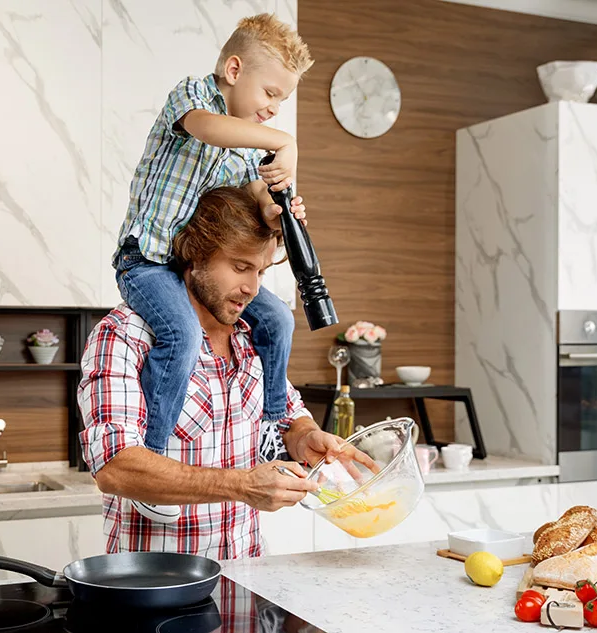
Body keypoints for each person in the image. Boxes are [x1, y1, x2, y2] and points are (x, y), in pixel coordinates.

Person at [80, 186, 373, 558]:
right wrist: (242, 485)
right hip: (154, 588)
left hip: (247, 577)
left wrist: (305, 437)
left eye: (260, 271)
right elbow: (115, 468)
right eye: (239, 267)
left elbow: (285, 415)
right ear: (194, 256)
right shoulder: (125, 334)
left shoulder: (254, 336)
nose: (251, 288)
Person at [112, 14, 314, 523]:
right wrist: (282, 140)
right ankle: (155, 463)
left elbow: (254, 202)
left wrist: (278, 211)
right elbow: (207, 127)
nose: (272, 107)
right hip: (148, 260)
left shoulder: (249, 153)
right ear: (233, 68)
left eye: (281, 101)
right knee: (180, 331)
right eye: (270, 92)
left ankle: (271, 426)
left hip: (192, 264)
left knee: (279, 320)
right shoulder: (192, 98)